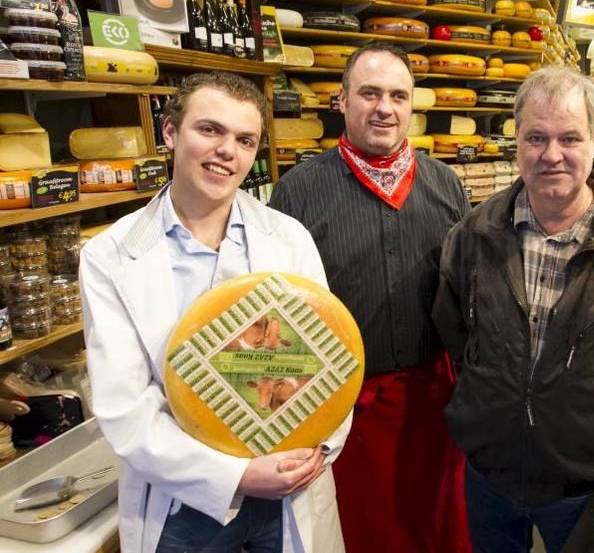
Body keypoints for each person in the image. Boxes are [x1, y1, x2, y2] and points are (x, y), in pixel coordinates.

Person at [82, 72, 349, 553]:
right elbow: (124, 406)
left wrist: (320, 448)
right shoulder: (110, 255)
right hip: (185, 503)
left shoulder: (289, 238)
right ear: (170, 133)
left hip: (288, 488)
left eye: (245, 140)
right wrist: (236, 475)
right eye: (209, 130)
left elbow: (330, 363)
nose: (227, 150)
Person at [432, 66, 594, 553]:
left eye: (569, 138)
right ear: (517, 141)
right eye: (536, 138)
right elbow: (460, 341)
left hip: (587, 484)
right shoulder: (472, 237)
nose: (552, 155)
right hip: (491, 475)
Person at [269, 43, 472, 552]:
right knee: (365, 535)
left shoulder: (445, 184)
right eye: (370, 93)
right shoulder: (297, 191)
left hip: (435, 402)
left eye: (398, 95)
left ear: (411, 105)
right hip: (344, 410)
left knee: (438, 529)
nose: (385, 107)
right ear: (342, 101)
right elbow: (278, 314)